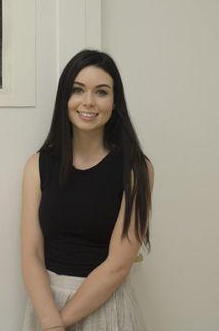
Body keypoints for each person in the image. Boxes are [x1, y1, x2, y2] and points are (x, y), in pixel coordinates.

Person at [21, 49, 153, 330]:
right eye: (78, 90)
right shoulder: (37, 165)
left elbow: (118, 265)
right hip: (46, 307)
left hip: (104, 307)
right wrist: (48, 318)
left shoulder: (136, 170)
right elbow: (31, 253)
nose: (88, 102)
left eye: (102, 92)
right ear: (65, 98)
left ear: (115, 101)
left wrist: (59, 323)